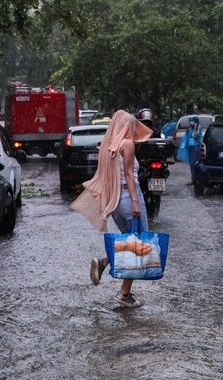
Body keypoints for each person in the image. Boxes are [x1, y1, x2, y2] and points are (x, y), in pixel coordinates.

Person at [70, 110, 154, 308]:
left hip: (115, 201)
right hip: (128, 197)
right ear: (126, 126)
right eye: (132, 125)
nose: (134, 129)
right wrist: (135, 201)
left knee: (132, 241)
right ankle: (124, 294)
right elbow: (129, 176)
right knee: (139, 244)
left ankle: (104, 262)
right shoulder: (127, 145)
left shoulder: (109, 147)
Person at [177, 116, 203, 184]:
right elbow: (186, 136)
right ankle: (193, 179)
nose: (191, 122)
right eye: (190, 121)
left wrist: (194, 128)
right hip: (190, 147)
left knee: (195, 164)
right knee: (191, 164)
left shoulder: (198, 127)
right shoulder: (189, 128)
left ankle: (196, 179)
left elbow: (195, 136)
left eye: (192, 121)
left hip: (196, 147)